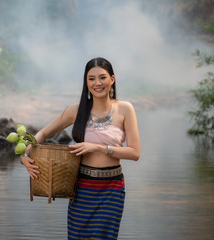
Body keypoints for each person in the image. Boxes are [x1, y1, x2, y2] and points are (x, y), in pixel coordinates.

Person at [20, 57, 140, 239]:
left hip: (111, 188)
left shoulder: (124, 109)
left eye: (102, 77)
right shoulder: (75, 111)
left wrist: (98, 148)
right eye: (91, 78)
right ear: (86, 82)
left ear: (112, 80)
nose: (97, 83)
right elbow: (42, 134)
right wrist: (24, 155)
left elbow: (134, 153)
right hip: (81, 186)